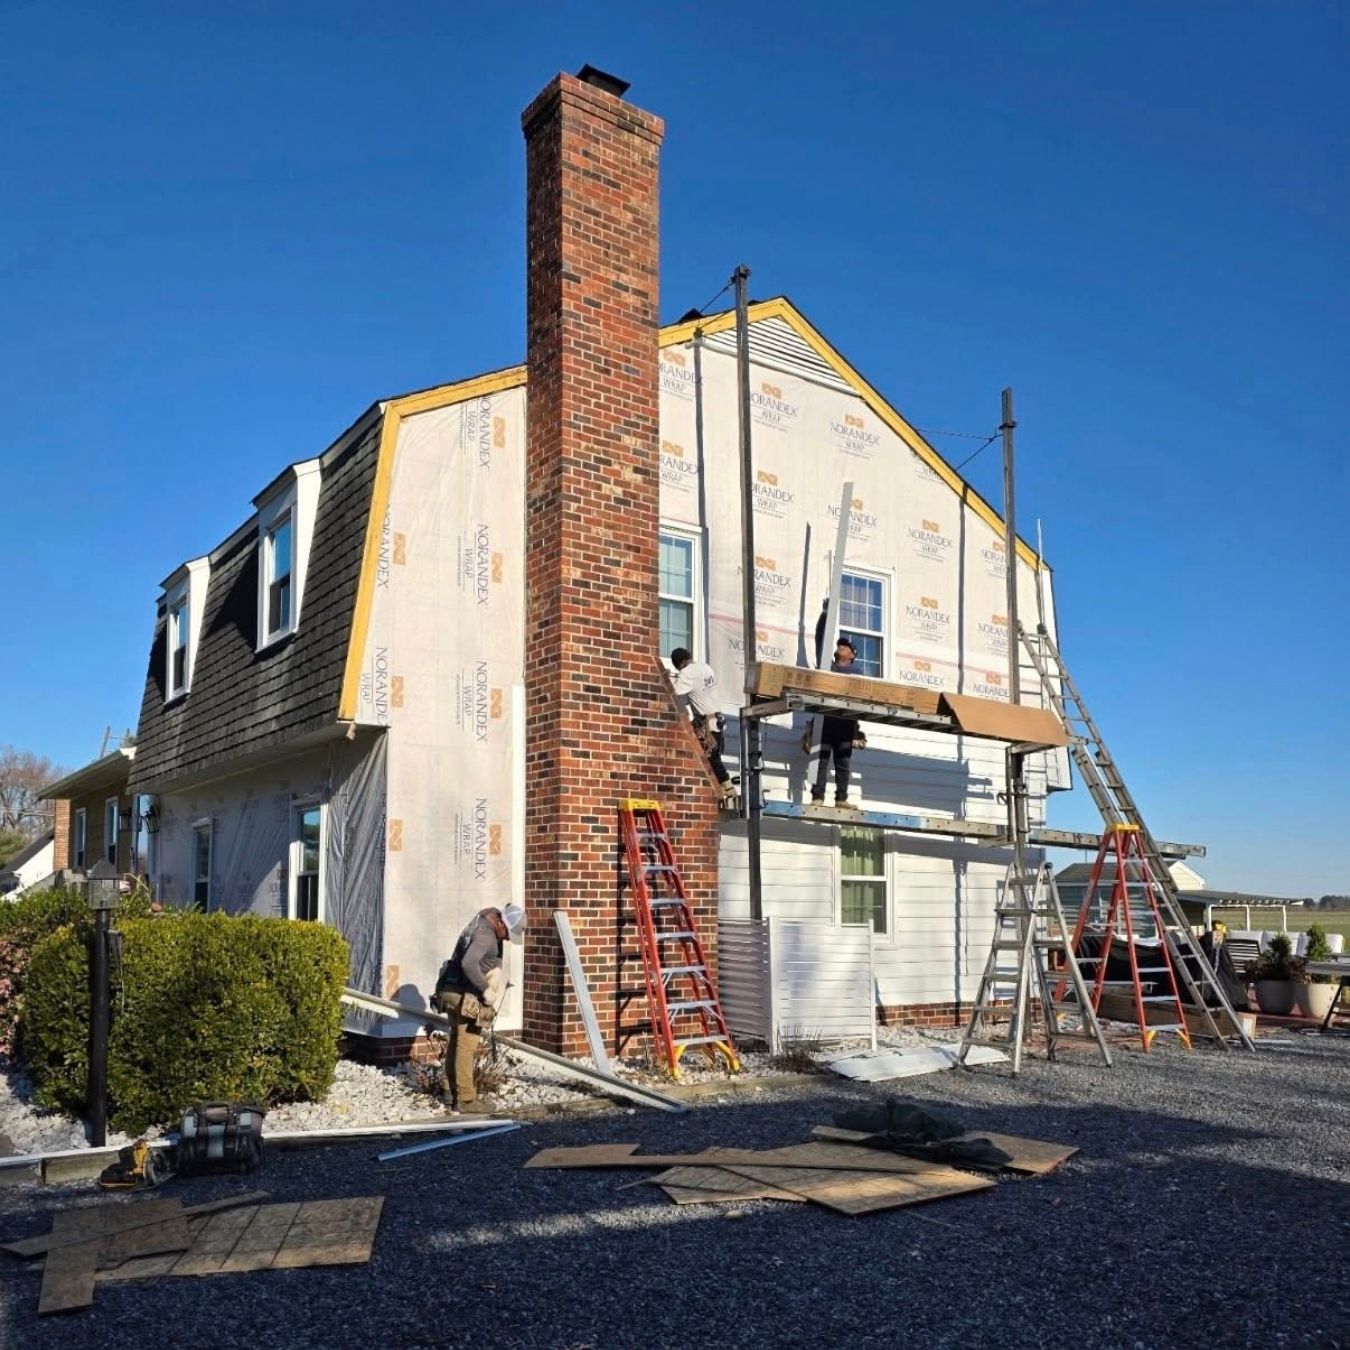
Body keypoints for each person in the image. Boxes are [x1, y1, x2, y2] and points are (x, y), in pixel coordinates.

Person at [433, 902, 526, 1113]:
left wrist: (496, 970)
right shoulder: (486, 935)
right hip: (464, 994)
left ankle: (450, 1091)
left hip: (449, 987)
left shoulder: (485, 919)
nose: (508, 939)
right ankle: (466, 1101)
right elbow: (468, 963)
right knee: (467, 1044)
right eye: (508, 934)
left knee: (457, 1040)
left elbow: (492, 956)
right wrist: (485, 989)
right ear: (501, 922)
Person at [669, 647, 738, 809]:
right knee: (714, 756)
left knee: (710, 758)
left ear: (679, 664)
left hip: (706, 723)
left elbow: (673, 692)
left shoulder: (686, 674)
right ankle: (721, 787)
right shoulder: (706, 668)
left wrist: (668, 679)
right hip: (718, 719)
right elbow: (694, 695)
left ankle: (728, 788)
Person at [810, 637, 866, 809]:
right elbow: (820, 641)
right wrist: (825, 615)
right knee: (821, 761)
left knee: (843, 763)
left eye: (846, 646)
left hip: (845, 723)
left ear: (852, 655)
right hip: (825, 720)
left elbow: (859, 702)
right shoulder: (828, 666)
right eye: (840, 644)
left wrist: (856, 733)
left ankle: (841, 799)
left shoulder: (856, 672)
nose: (841, 646)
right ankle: (817, 797)